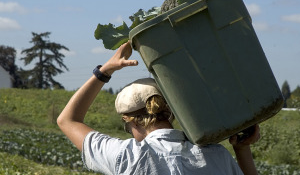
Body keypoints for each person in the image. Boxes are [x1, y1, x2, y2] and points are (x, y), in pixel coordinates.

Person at [57, 42, 260, 175]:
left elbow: (67, 120)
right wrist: (242, 149)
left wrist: (105, 70)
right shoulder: (216, 155)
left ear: (131, 121)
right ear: (170, 111)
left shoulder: (126, 156)